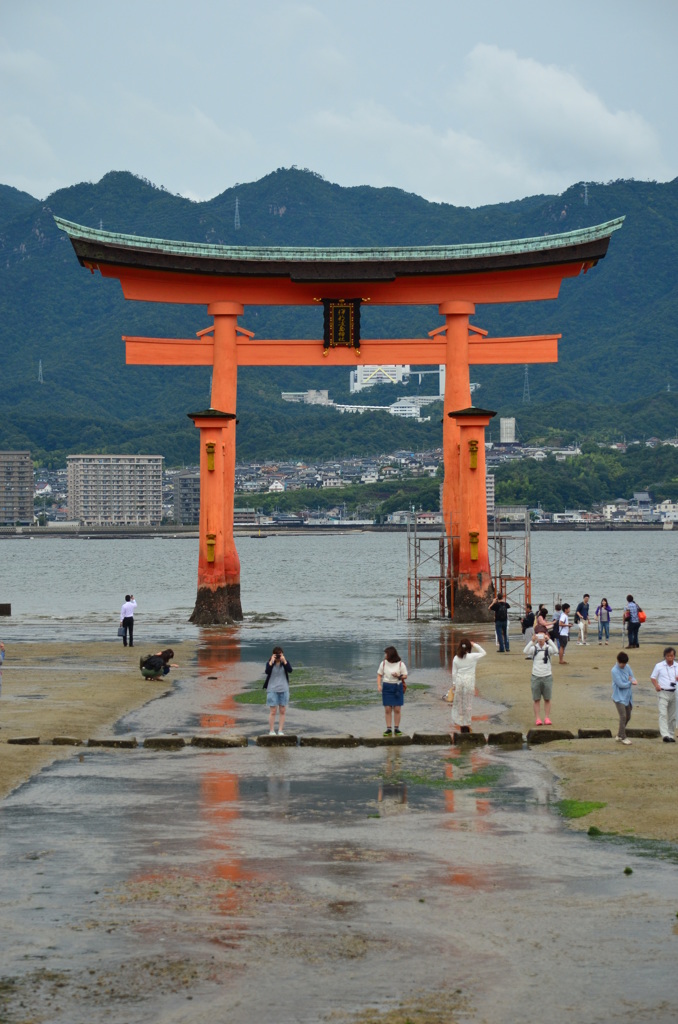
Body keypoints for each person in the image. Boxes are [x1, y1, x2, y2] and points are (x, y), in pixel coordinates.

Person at [450, 638, 486, 734]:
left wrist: (454, 684)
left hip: (459, 682)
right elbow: (483, 652)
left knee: (459, 704)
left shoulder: (456, 658)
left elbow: (454, 673)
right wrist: (475, 644)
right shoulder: (472, 656)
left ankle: (461, 724)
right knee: (468, 704)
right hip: (469, 682)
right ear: (469, 647)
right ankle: (467, 724)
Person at [524, 631, 558, 725]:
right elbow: (525, 651)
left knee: (547, 699)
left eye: (542, 636)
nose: (540, 639)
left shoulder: (548, 648)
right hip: (536, 676)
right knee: (536, 699)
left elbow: (556, 650)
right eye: (539, 636)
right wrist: (532, 641)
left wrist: (549, 640)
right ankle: (538, 718)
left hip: (547, 676)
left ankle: (547, 717)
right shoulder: (534, 648)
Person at [377, 646, 408, 736]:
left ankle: (397, 728)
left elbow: (405, 675)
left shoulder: (400, 664)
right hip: (387, 686)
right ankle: (388, 728)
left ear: (391, 654)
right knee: (387, 709)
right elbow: (379, 675)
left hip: (397, 686)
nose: (385, 655)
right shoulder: (383, 663)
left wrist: (398, 675)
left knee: (397, 709)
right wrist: (379, 685)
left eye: (386, 653)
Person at [650, 647, 677, 743]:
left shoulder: (677, 666)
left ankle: (671, 734)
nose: (670, 658)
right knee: (663, 713)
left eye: (672, 656)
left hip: (674, 692)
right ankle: (665, 735)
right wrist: (656, 685)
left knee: (673, 715)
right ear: (665, 656)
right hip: (663, 692)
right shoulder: (659, 666)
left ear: (674, 656)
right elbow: (653, 677)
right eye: (668, 656)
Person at [264, 646, 293, 735]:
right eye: (276, 655)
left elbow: (290, 670)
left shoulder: (285, 663)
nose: (278, 656)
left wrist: (284, 661)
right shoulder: (270, 663)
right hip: (272, 689)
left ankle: (280, 730)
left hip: (284, 689)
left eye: (279, 654)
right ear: (273, 655)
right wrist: (271, 662)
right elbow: (267, 671)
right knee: (273, 711)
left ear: (282, 654)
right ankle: (271, 730)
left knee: (282, 710)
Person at [611, 651, 637, 744]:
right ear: (618, 661)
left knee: (628, 716)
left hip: (627, 696)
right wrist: (630, 682)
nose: (623, 665)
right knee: (623, 716)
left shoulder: (627, 667)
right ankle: (623, 737)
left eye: (625, 663)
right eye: (622, 663)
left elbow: (632, 677)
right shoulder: (614, 670)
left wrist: (633, 680)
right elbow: (621, 684)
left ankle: (619, 734)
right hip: (618, 697)